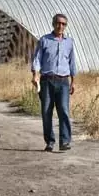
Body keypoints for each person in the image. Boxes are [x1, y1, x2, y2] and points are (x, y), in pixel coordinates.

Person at [31, 13, 77, 152]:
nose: (60, 26)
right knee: (46, 111)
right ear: (53, 24)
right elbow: (37, 59)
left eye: (63, 24)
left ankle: (65, 141)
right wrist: (35, 75)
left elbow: (72, 62)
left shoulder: (69, 42)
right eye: (58, 23)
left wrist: (73, 82)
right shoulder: (44, 40)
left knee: (63, 110)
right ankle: (50, 142)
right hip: (47, 81)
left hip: (63, 81)